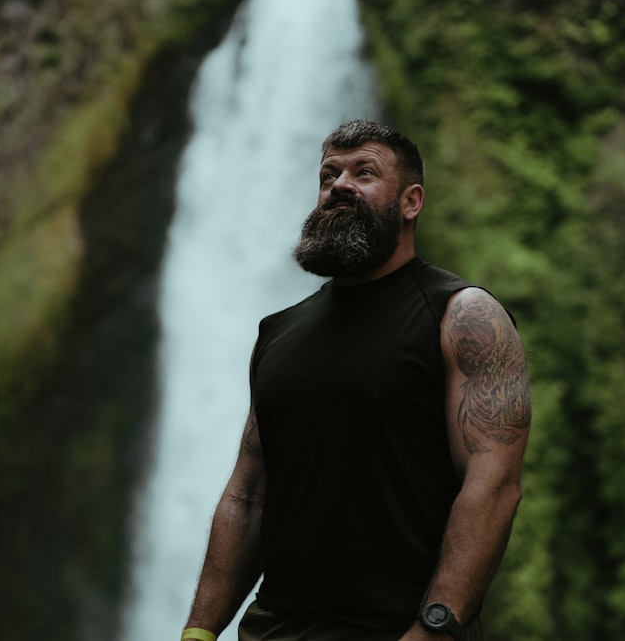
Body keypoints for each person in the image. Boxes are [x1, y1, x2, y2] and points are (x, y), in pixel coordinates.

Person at [180, 120, 531, 641]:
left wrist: (435, 627)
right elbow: (249, 495)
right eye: (328, 175)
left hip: (397, 630)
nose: (339, 186)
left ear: (411, 201)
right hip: (273, 629)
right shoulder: (276, 333)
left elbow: (494, 485)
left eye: (364, 173)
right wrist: (199, 633)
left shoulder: (462, 317)